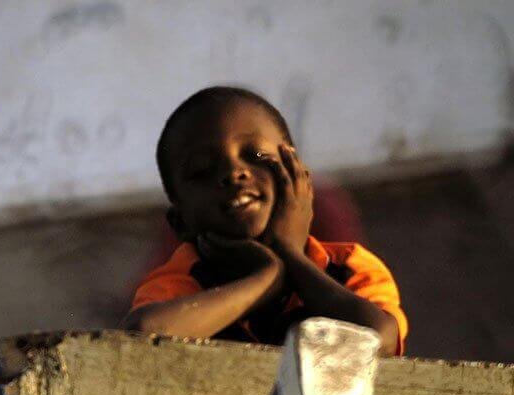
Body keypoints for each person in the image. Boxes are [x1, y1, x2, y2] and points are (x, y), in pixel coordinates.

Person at [122, 86, 408, 356]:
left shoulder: (346, 266)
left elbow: (378, 339)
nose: (235, 172)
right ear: (180, 222)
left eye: (257, 155)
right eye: (202, 170)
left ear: (302, 181)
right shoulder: (184, 278)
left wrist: (291, 257)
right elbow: (143, 336)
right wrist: (265, 277)